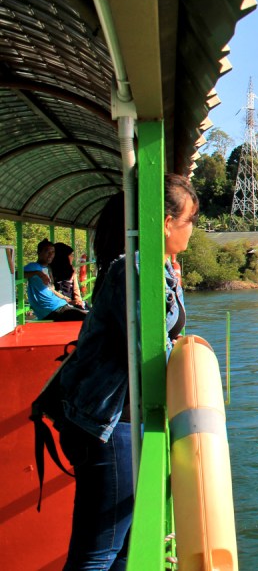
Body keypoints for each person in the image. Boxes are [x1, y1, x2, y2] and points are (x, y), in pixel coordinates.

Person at [55, 174, 198, 569]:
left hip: (119, 419)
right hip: (110, 423)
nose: (192, 229)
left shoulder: (152, 267)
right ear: (166, 223)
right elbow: (146, 349)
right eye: (189, 220)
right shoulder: (133, 271)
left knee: (125, 548)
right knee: (98, 554)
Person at [24, 239, 87, 321]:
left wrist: (68, 300)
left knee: (89, 316)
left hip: (60, 305)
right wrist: (38, 273)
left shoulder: (47, 268)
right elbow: (16, 275)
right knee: (88, 319)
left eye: (53, 252)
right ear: (39, 252)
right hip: (51, 310)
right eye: (47, 252)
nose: (50, 255)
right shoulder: (34, 266)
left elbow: (51, 290)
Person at [52, 242, 86, 309]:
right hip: (59, 303)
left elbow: (76, 289)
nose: (72, 258)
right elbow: (51, 290)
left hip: (72, 301)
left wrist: (78, 300)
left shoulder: (71, 270)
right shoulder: (50, 270)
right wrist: (68, 300)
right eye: (70, 255)